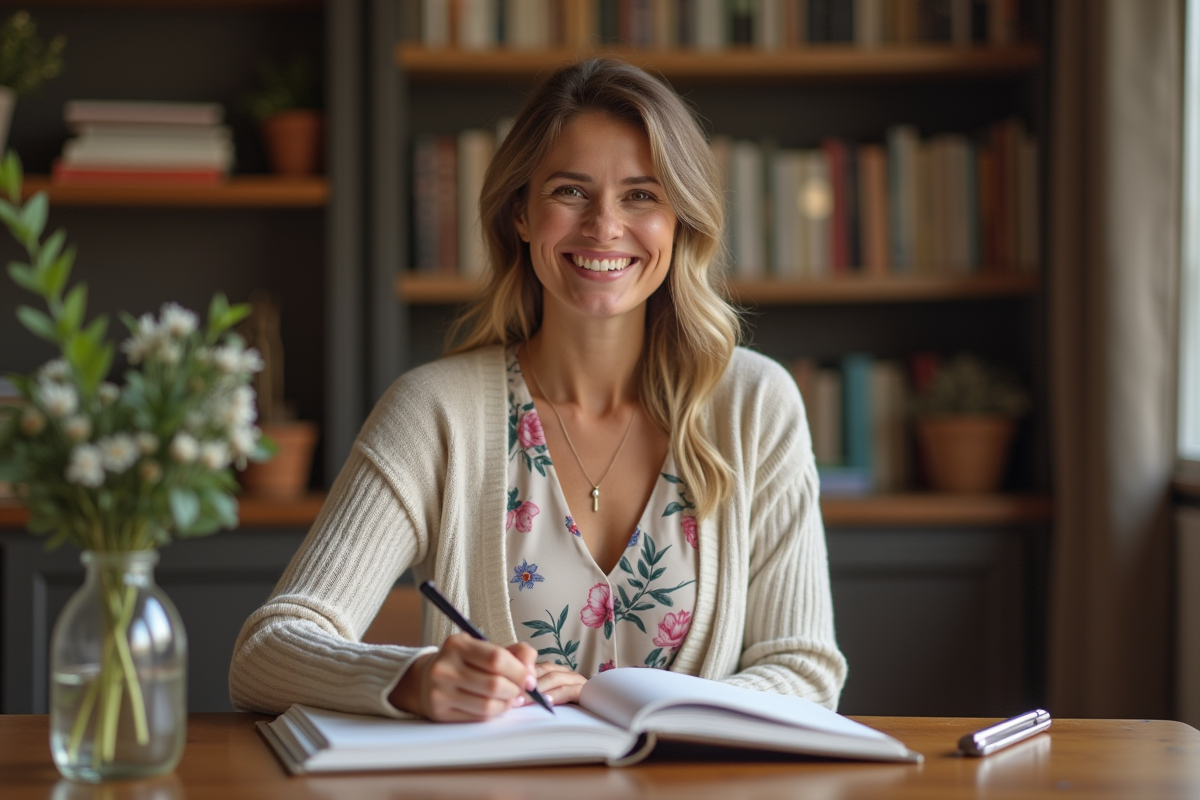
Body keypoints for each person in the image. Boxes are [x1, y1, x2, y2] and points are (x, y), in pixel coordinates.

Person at [228, 57, 847, 722]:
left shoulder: (756, 406)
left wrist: (648, 704)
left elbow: (805, 675)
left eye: (642, 195)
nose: (605, 226)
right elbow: (265, 653)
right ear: (520, 212)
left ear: (680, 221)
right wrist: (412, 677)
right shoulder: (435, 413)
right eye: (570, 192)